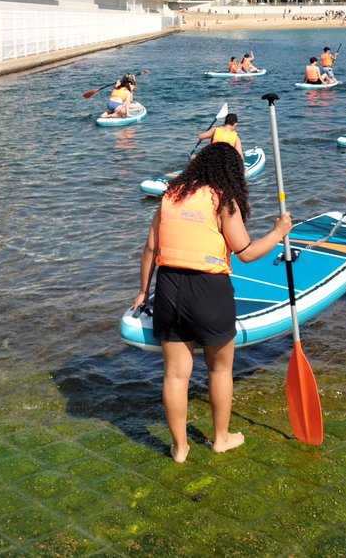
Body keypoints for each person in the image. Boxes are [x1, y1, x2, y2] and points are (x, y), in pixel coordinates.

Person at [132, 144, 293, 461]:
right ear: (230, 172)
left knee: (175, 375)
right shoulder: (222, 199)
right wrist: (278, 232)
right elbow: (245, 253)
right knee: (219, 370)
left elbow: (151, 247)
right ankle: (220, 438)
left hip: (168, 287)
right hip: (209, 289)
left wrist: (142, 291)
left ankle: (179, 447)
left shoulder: (170, 195)